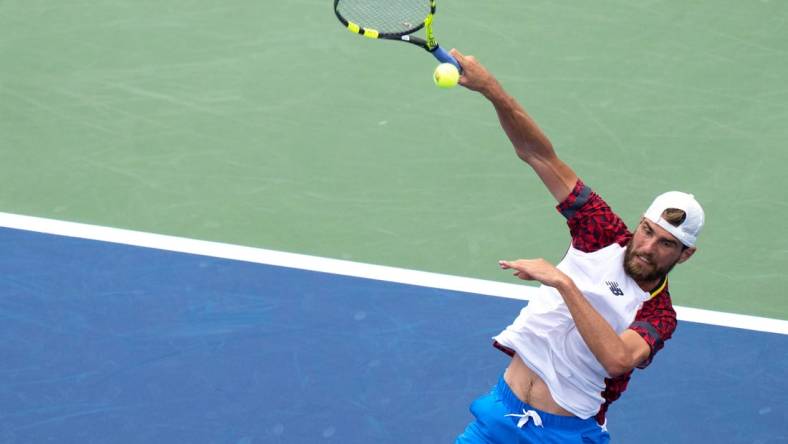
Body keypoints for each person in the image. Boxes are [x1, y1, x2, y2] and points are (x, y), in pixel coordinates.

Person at [450, 48, 705, 443]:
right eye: (647, 230)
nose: (647, 246)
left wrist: (564, 284)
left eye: (666, 244)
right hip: (498, 415)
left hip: (565, 435)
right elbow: (538, 154)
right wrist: (492, 91)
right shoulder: (600, 231)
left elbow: (618, 359)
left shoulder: (659, 314)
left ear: (685, 254)